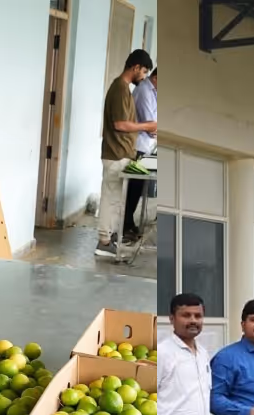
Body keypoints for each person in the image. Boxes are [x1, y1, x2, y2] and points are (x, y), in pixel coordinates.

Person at [95, 50, 156, 259]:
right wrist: (146, 125)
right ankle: (103, 241)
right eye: (144, 72)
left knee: (116, 200)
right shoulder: (120, 89)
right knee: (110, 198)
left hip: (121, 153)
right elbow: (120, 124)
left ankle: (109, 237)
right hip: (115, 153)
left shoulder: (124, 89)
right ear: (136, 67)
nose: (145, 76)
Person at [122, 67, 157, 243]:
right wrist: (155, 128)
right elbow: (151, 126)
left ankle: (129, 224)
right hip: (139, 147)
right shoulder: (145, 91)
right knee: (133, 188)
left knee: (138, 187)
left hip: (147, 147)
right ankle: (126, 225)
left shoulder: (153, 91)